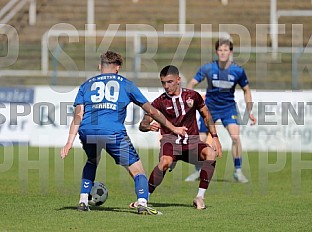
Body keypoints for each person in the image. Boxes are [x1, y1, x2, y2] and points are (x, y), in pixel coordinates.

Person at [60, 51, 187, 215]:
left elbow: (78, 115)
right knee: (138, 170)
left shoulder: (86, 85)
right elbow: (153, 112)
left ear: (100, 66)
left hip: (87, 131)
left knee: (92, 160)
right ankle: (142, 203)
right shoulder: (126, 84)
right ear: (117, 68)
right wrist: (174, 128)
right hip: (112, 132)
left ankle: (83, 201)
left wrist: (69, 142)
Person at [130, 65, 222, 210]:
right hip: (170, 142)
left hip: (192, 142)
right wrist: (147, 126)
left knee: (210, 153)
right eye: (163, 83)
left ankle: (199, 197)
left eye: (170, 82)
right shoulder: (159, 102)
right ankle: (144, 198)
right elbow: (143, 123)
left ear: (178, 80)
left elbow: (206, 115)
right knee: (165, 162)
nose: (166, 86)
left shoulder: (192, 96)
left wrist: (215, 137)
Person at [185, 38, 257, 183]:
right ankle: (198, 170)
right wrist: (188, 98)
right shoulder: (208, 68)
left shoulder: (238, 71)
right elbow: (192, 83)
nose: (223, 53)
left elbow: (246, 90)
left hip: (228, 108)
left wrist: (249, 111)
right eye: (220, 50)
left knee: (236, 137)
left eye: (226, 50)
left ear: (230, 52)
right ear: (217, 51)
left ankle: (237, 171)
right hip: (209, 108)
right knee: (201, 139)